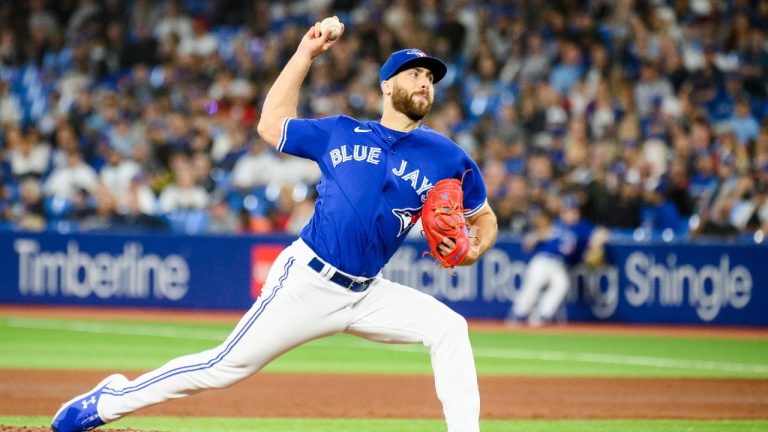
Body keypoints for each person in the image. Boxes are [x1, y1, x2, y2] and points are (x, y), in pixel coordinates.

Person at [51, 18, 498, 432]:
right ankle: (108, 400)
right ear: (386, 85)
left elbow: (484, 216)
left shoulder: (446, 156)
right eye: (414, 73)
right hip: (307, 281)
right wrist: (306, 52)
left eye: (430, 78)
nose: (425, 82)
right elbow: (271, 125)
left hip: (368, 292)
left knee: (449, 327)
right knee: (222, 368)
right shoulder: (340, 131)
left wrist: (476, 246)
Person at [508, 196, 608, 327]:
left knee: (561, 285)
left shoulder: (581, 227)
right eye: (567, 211)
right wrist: (535, 238)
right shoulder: (556, 225)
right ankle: (518, 314)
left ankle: (541, 316)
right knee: (534, 283)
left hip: (559, 264)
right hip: (543, 260)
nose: (570, 214)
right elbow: (534, 238)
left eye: (573, 211)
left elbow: (603, 233)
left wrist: (594, 244)